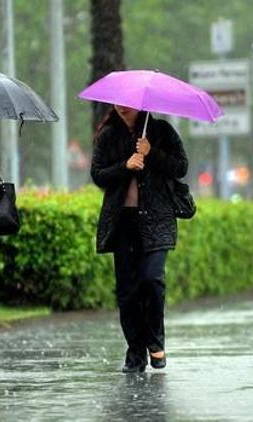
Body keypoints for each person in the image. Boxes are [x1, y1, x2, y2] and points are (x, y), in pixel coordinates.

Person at [90, 105, 188, 373]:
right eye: (117, 102)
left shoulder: (161, 131)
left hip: (157, 220)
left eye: (128, 102)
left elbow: (180, 167)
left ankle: (155, 342)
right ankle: (135, 352)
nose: (122, 107)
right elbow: (97, 174)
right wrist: (126, 165)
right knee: (127, 291)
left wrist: (150, 153)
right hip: (122, 222)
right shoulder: (108, 136)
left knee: (152, 278)